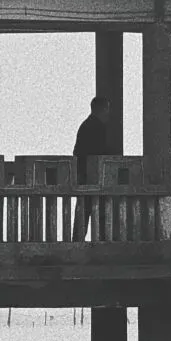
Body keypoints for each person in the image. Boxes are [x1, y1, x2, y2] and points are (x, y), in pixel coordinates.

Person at [73, 95, 114, 239]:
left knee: (83, 210)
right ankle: (99, 239)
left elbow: (78, 152)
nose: (109, 112)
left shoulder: (86, 125)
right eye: (107, 108)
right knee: (95, 209)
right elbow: (99, 151)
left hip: (83, 173)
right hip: (93, 175)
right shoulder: (98, 127)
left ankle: (78, 239)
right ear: (103, 109)